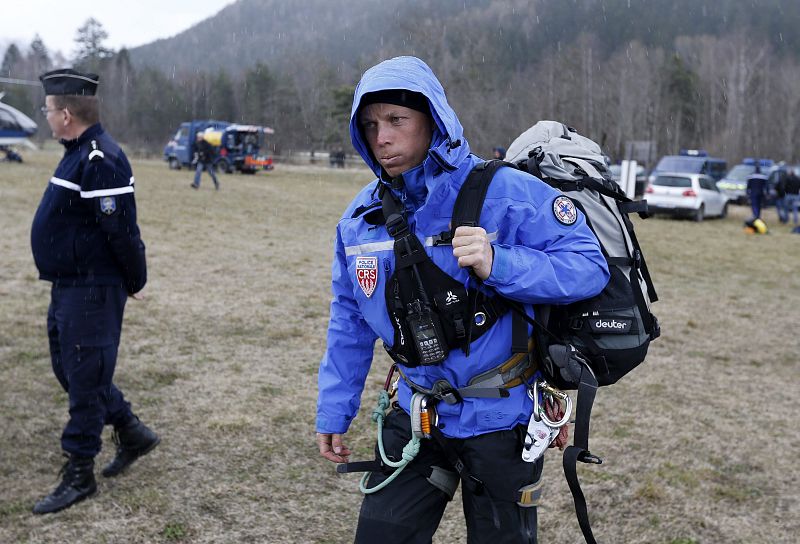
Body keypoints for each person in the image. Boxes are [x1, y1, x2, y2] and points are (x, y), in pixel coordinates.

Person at [315, 56, 609, 543]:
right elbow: (349, 317)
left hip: (502, 422)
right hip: (414, 414)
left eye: (396, 120)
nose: (381, 137)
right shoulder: (361, 218)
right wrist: (334, 408)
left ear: (434, 120)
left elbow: (588, 267)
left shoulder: (505, 191)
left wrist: (500, 263)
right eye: (369, 125)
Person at [30, 68, 160, 515]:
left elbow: (122, 230)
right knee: (71, 370)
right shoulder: (77, 153)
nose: (46, 116)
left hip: (91, 290)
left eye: (48, 109)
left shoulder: (101, 159)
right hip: (69, 285)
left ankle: (80, 472)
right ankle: (131, 430)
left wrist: (134, 279)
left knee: (85, 380)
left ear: (66, 114)